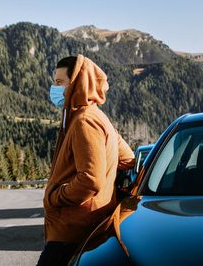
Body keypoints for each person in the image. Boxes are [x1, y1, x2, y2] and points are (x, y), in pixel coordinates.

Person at [36, 55, 135, 266]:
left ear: (77, 83)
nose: (54, 87)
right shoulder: (96, 117)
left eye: (59, 82)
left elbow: (90, 179)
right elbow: (128, 159)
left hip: (72, 228)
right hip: (87, 224)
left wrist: (56, 197)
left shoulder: (84, 121)